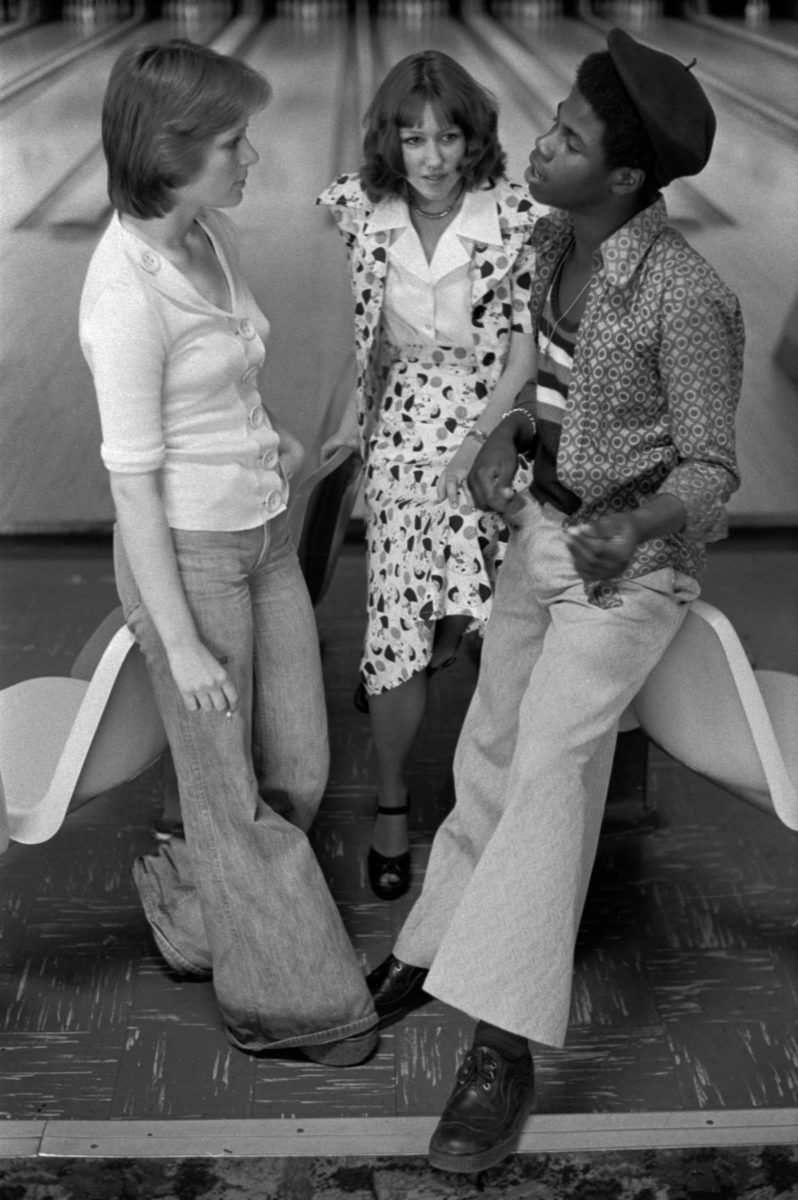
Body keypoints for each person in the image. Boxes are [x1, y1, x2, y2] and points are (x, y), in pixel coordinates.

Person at [364, 28, 743, 1173]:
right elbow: (545, 370)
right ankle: (437, 945)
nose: (541, 146)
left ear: (625, 179)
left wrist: (637, 524)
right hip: (544, 529)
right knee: (489, 738)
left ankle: (504, 1042)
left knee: (547, 769)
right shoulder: (549, 243)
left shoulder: (687, 294)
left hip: (629, 572)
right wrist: (505, 433)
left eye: (569, 140)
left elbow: (714, 470)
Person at [79, 39, 377, 1065]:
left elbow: (225, 378)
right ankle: (296, 1009)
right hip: (189, 559)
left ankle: (201, 920)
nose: (255, 156)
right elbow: (131, 484)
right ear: (172, 152)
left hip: (260, 536)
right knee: (229, 793)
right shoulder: (125, 295)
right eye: (234, 141)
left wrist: (278, 441)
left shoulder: (205, 237)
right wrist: (181, 640)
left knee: (295, 763)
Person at [317, 50, 544, 901]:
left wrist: (478, 441)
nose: (433, 155)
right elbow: (368, 338)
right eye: (413, 138)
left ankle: (498, 793)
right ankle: (391, 797)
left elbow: (524, 350)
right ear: (391, 141)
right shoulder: (362, 213)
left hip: (493, 413)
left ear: (473, 137)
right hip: (404, 419)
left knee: (484, 604)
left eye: (448, 135)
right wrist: (348, 422)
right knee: (399, 618)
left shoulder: (517, 216)